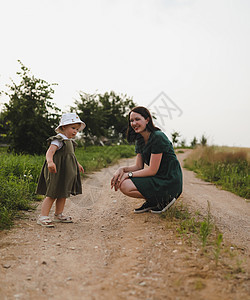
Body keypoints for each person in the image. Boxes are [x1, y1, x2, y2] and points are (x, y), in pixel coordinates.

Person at [111, 106, 182, 214]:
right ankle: (153, 201)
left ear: (147, 120)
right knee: (123, 184)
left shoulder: (158, 137)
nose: (134, 123)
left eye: (137, 119)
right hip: (157, 178)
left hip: (169, 180)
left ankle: (166, 198)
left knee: (125, 182)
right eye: (131, 121)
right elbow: (138, 167)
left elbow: (152, 170)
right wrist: (122, 169)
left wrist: (128, 175)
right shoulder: (140, 140)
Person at [36, 113, 86, 227]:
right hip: (56, 171)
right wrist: (50, 162)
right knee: (52, 192)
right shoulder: (58, 140)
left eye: (77, 130)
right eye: (73, 128)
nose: (75, 132)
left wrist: (77, 164)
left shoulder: (70, 142)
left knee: (63, 192)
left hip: (66, 172)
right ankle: (43, 216)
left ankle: (58, 215)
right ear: (63, 127)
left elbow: (70, 156)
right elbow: (50, 152)